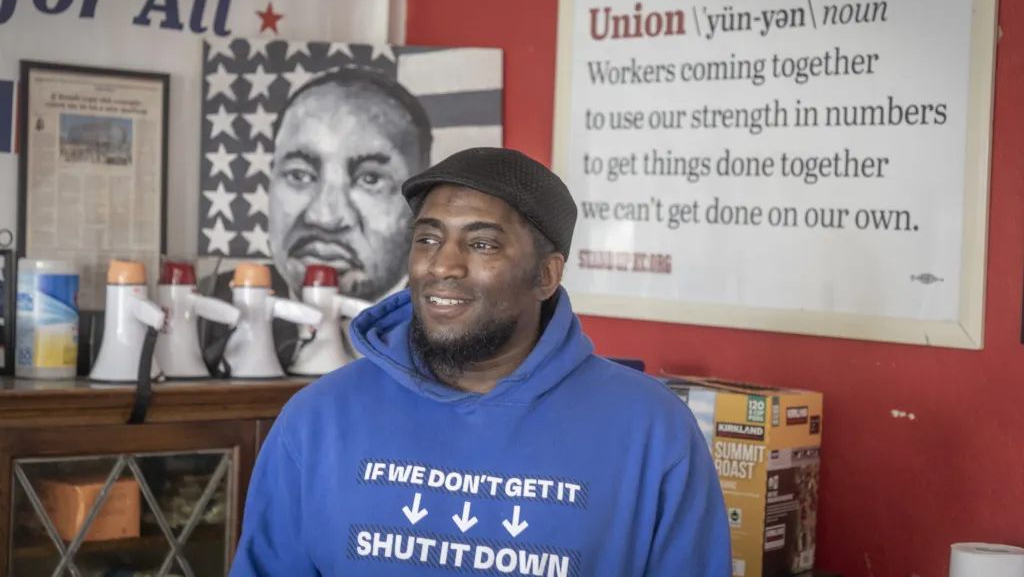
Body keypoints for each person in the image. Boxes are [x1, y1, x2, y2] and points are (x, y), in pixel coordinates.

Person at [228, 147, 732, 575]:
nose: (442, 265)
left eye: (482, 243)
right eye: (427, 238)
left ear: (546, 276)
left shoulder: (652, 430)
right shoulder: (318, 420)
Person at [203, 67, 432, 369]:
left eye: (370, 179)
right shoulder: (211, 309)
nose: (324, 217)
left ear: (421, 203)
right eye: (299, 174)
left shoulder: (447, 322)